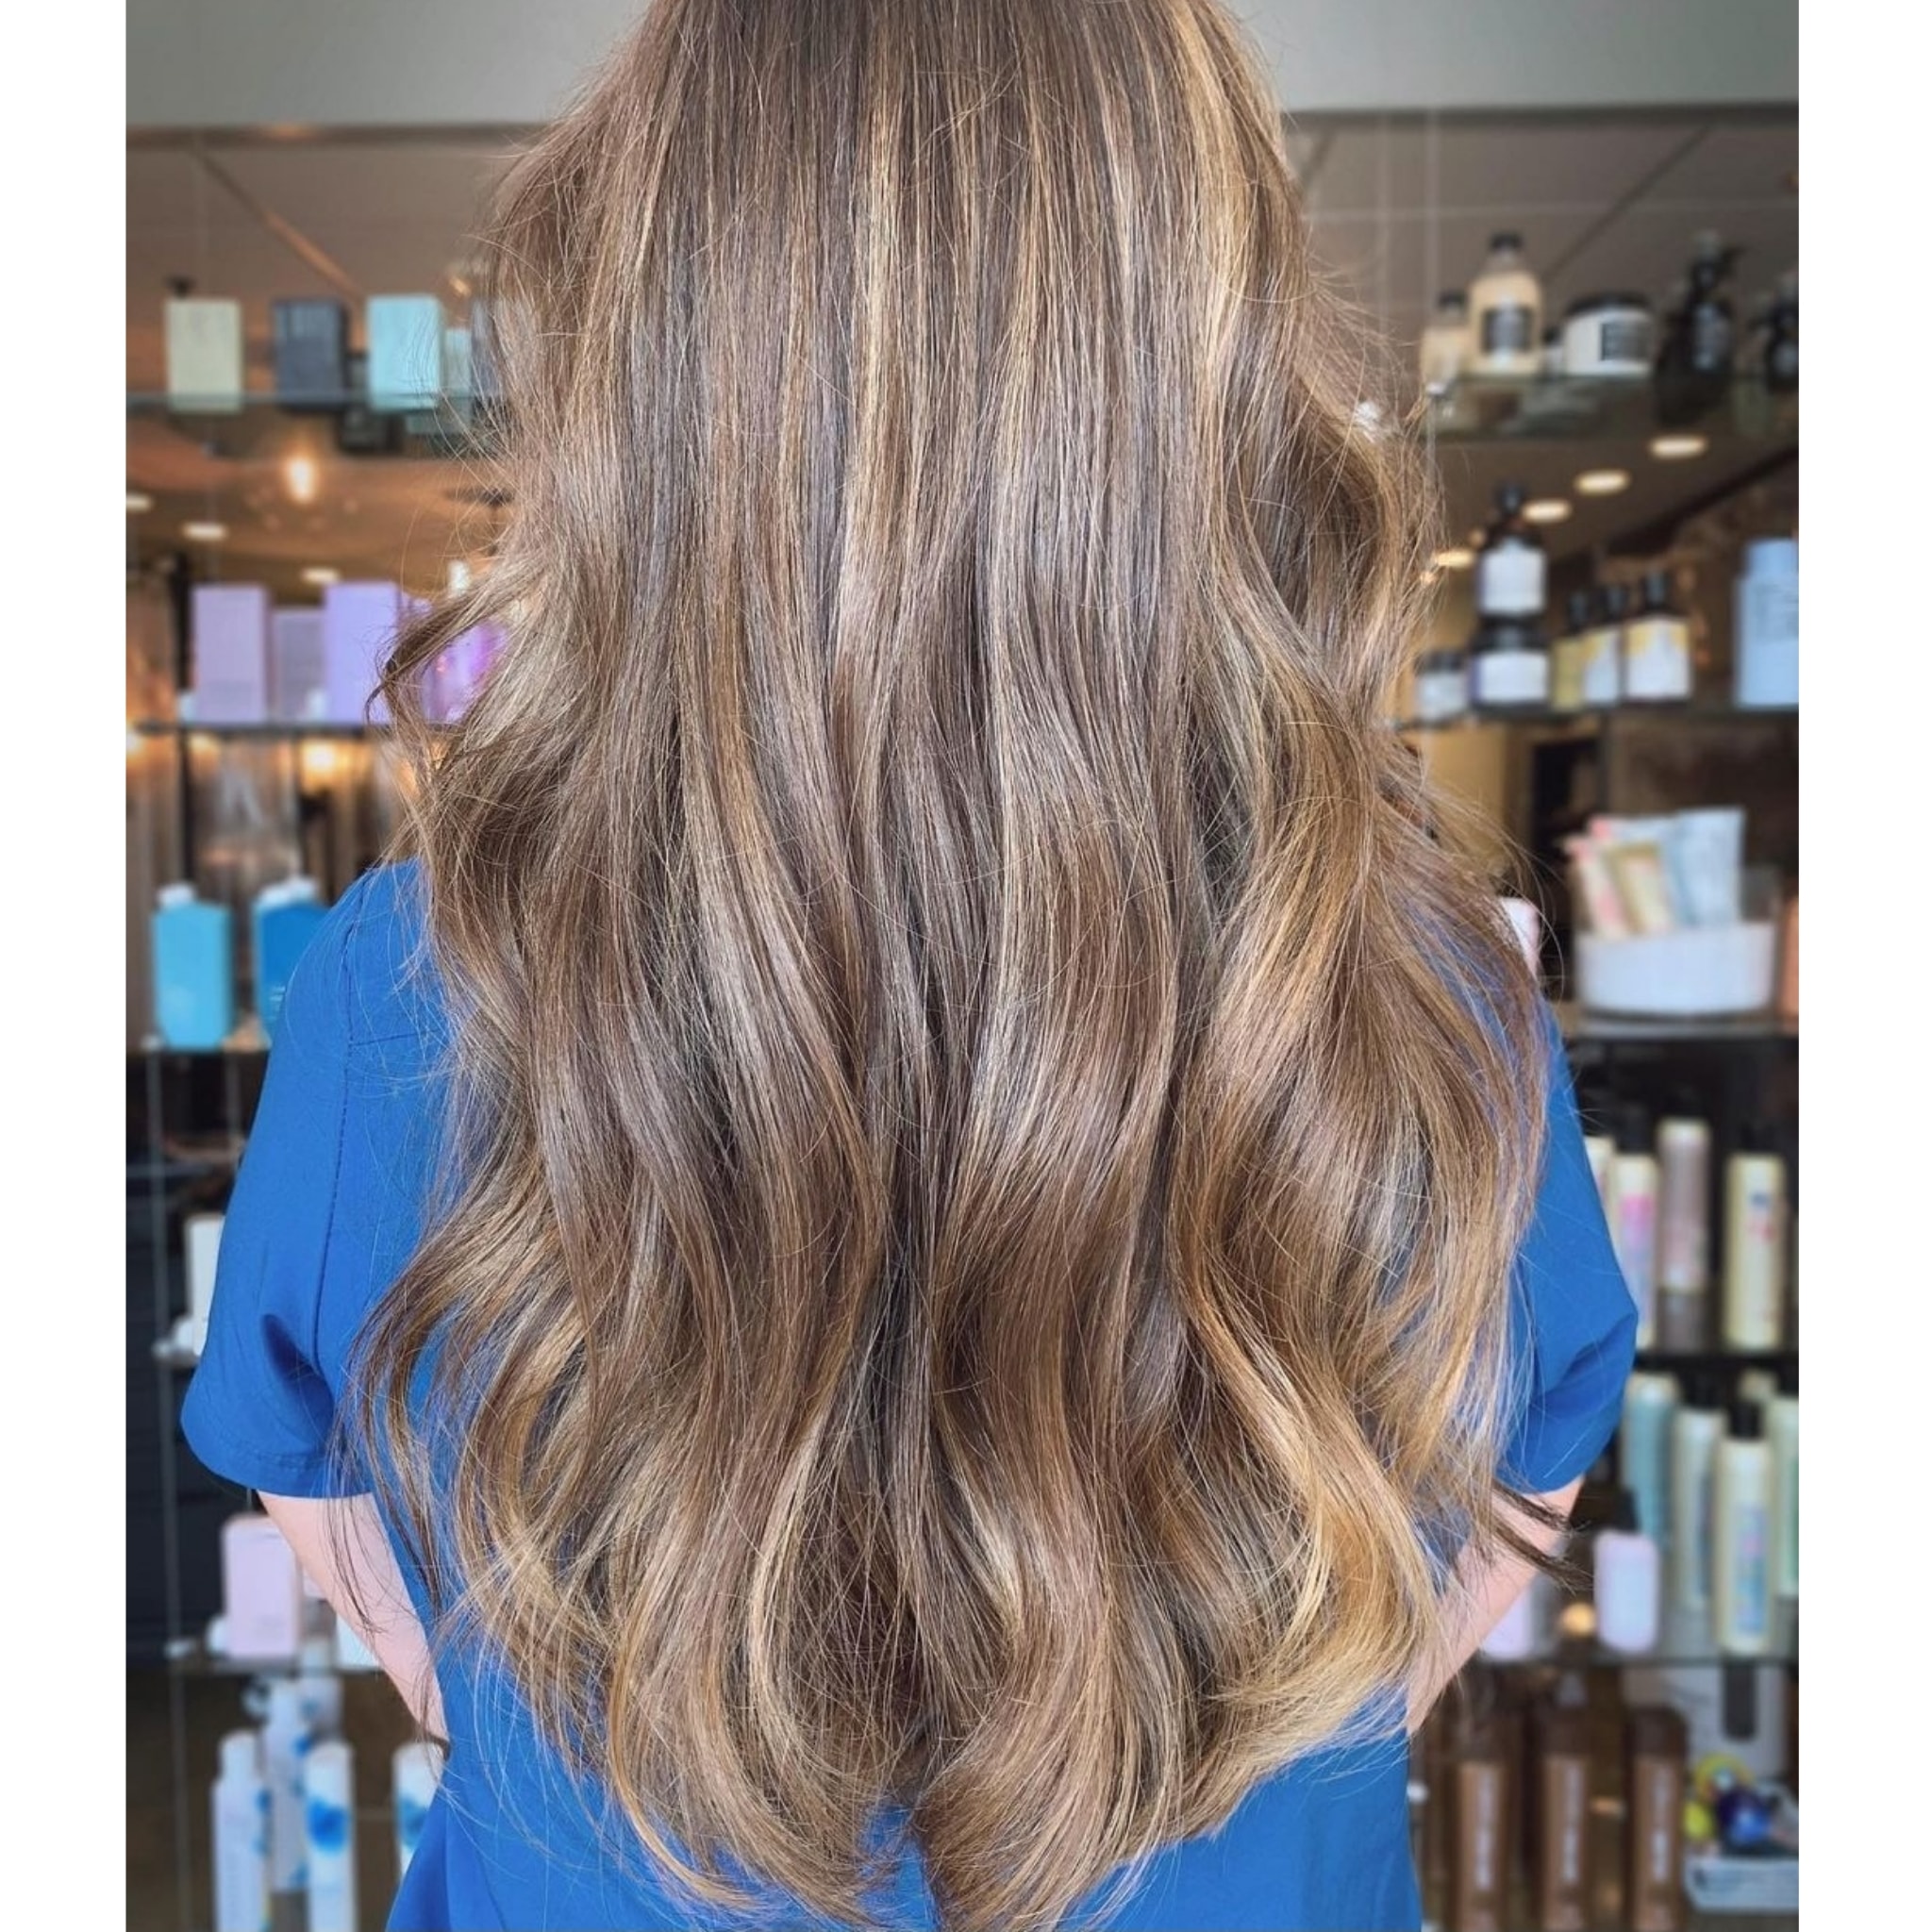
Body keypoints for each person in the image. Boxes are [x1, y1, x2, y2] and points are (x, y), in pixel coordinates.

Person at [183, 3, 1637, 1926]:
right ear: (1206, 351)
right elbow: (1516, 1485)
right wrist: (1241, 1775)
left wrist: (582, 1759)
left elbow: (329, 1507)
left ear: (653, 353)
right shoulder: (1415, 979)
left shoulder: (417, 985)